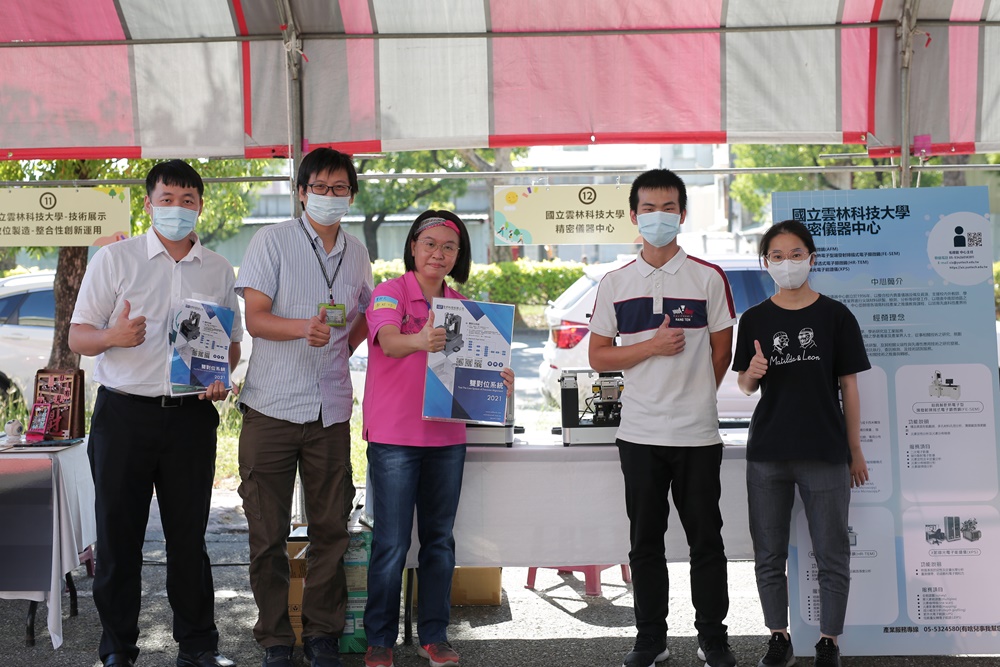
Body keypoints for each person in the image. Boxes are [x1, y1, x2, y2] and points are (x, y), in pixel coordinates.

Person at [69, 159, 241, 667]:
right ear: (148, 204)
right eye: (167, 199)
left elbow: (228, 346)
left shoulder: (217, 268)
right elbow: (79, 335)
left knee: (189, 540)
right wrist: (112, 337)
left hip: (191, 418)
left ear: (201, 207)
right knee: (118, 540)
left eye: (188, 201)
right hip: (124, 416)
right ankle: (118, 649)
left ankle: (198, 646)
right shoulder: (115, 259)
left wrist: (219, 377)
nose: (177, 209)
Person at [588, 169, 737, 667]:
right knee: (644, 544)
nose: (658, 216)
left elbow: (722, 351)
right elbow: (598, 357)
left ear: (683, 214)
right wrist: (650, 347)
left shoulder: (707, 277)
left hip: (697, 434)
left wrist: (695, 395)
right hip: (639, 435)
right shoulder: (615, 283)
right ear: (633, 215)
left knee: (706, 543)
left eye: (667, 207)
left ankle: (713, 636)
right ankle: (650, 638)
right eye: (648, 208)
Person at [235, 148, 373, 667]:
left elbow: (363, 313)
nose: (330, 196)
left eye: (341, 189)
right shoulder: (271, 241)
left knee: (330, 531)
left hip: (330, 412)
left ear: (351, 195)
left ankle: (321, 634)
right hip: (271, 406)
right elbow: (255, 318)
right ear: (301, 191)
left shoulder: (357, 252)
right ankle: (274, 638)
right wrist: (304, 329)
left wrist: (342, 347)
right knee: (267, 534)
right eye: (321, 187)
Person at [361, 210, 514, 667]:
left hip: (446, 437)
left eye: (449, 247)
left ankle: (434, 634)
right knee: (390, 542)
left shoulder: (465, 308)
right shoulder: (389, 293)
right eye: (430, 243)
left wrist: (498, 377)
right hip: (394, 437)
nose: (438, 253)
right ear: (413, 246)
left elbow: (473, 374)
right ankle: (380, 639)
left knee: (439, 541)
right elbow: (388, 340)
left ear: (458, 256)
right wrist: (421, 339)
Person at [732, 220, 870, 667]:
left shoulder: (835, 315)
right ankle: (778, 636)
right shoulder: (754, 319)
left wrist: (855, 449)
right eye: (776, 256)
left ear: (812, 258)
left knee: (832, 551)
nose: (787, 263)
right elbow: (745, 387)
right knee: (768, 553)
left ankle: (829, 641)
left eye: (795, 254)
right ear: (765, 262)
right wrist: (752, 371)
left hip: (825, 451)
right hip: (768, 453)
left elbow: (848, 387)